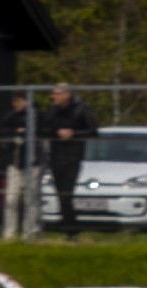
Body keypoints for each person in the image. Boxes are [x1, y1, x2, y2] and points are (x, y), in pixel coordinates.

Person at [41, 83, 98, 239]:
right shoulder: (52, 111)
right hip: (56, 156)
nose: (53, 97)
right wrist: (56, 132)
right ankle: (70, 227)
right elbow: (42, 129)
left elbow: (93, 131)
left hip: (73, 157)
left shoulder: (80, 109)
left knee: (67, 193)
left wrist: (74, 134)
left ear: (67, 95)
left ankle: (71, 228)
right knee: (61, 194)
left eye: (57, 94)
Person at [0, 92, 40, 240]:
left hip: (33, 163)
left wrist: (25, 133)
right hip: (15, 162)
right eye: (14, 101)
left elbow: (40, 131)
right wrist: (15, 132)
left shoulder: (37, 116)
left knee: (31, 199)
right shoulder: (11, 116)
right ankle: (9, 233)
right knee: (11, 199)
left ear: (26, 101)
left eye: (18, 101)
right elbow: (0, 131)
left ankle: (30, 232)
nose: (15, 104)